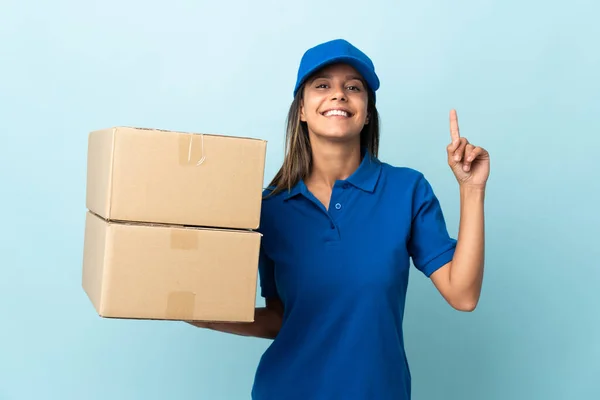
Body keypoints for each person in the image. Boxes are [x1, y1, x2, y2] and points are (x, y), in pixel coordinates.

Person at [188, 38, 490, 400]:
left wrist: (472, 190)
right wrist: (204, 316)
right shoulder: (269, 208)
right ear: (301, 109)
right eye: (322, 85)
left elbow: (463, 294)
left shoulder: (406, 190)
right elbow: (285, 317)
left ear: (367, 111)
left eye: (353, 87)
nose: (339, 95)